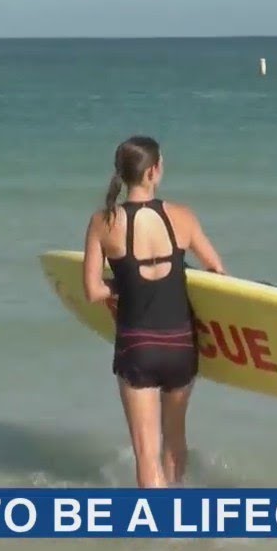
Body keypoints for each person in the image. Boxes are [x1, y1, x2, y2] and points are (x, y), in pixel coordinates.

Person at [81, 136, 226, 488]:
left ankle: (156, 536)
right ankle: (177, 516)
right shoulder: (182, 217)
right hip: (180, 345)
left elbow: (93, 291)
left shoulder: (104, 222)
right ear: (154, 171)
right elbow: (218, 274)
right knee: (175, 440)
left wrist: (124, 285)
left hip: (138, 347)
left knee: (146, 453)